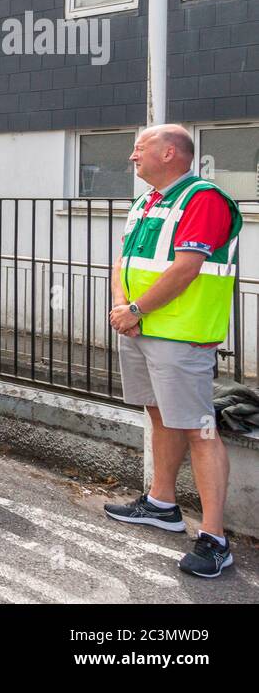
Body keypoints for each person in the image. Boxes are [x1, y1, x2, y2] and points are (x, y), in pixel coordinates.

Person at [103, 124, 241, 579]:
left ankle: (215, 539)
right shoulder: (146, 200)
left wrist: (136, 307)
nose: (131, 157)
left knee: (200, 429)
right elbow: (123, 259)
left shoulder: (203, 198)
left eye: (139, 149)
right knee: (159, 413)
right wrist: (123, 306)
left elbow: (186, 268)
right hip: (141, 328)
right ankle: (163, 504)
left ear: (169, 153)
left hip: (181, 336)